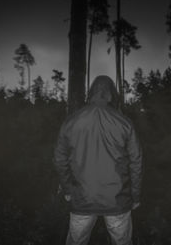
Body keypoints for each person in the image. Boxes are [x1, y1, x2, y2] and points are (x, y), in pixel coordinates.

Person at [54, 75, 142, 245]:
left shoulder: (72, 121)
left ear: (91, 93)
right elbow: (136, 161)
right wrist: (136, 196)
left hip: (82, 199)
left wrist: (67, 189)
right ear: (111, 94)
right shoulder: (124, 123)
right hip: (117, 200)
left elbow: (59, 159)